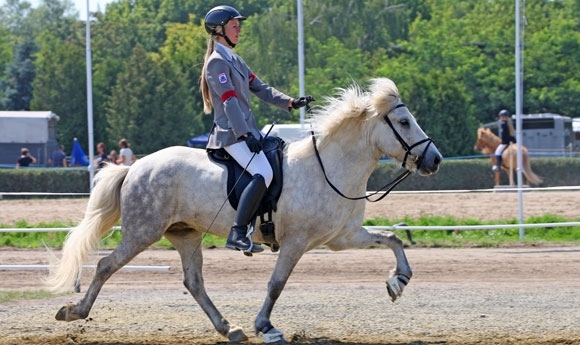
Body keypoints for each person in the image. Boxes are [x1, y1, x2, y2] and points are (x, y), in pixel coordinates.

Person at [200, 5, 314, 253]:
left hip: (247, 130)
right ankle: (237, 233)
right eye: (234, 25)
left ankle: (270, 225)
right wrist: (244, 134)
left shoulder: (235, 59)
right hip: (231, 134)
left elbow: (261, 88)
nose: (239, 29)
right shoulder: (216, 63)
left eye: (239, 25)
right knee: (262, 172)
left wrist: (290, 102)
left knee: (281, 158)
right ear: (219, 31)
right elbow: (229, 102)